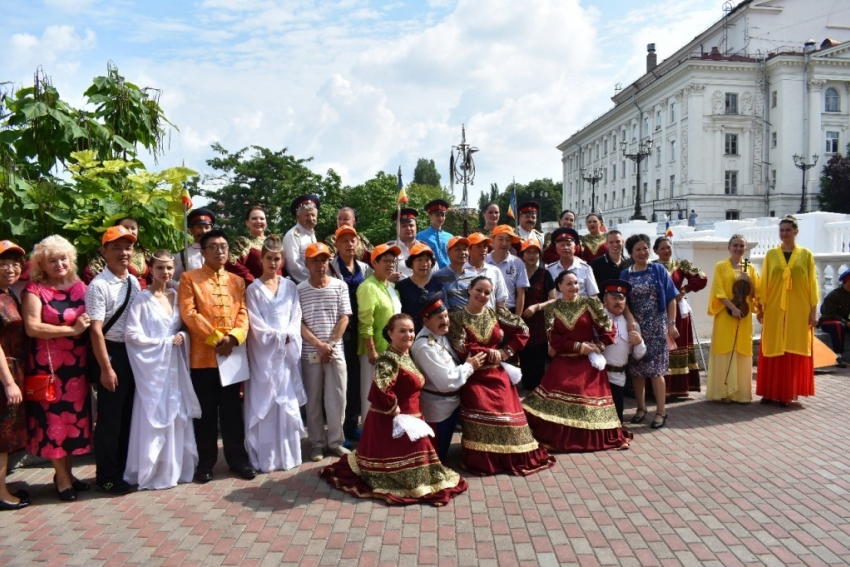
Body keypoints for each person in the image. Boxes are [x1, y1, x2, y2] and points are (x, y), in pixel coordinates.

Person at [320, 314, 468, 506]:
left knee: (426, 469)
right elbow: (380, 390)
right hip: (393, 424)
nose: (408, 335)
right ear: (390, 333)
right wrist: (394, 409)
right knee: (413, 475)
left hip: (413, 419)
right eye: (402, 331)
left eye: (411, 330)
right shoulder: (388, 360)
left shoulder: (405, 355)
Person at [448, 276, 555, 476]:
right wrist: (491, 353)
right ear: (469, 289)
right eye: (479, 290)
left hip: (497, 372)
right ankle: (485, 458)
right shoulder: (456, 318)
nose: (482, 295)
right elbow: (462, 347)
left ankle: (509, 456)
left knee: (508, 415)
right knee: (481, 406)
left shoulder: (495, 313)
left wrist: (506, 351)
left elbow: (523, 329)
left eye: (487, 293)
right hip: (474, 375)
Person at [178, 229, 256, 483]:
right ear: (203, 252)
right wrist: (215, 339)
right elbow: (189, 314)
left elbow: (243, 312)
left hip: (232, 355)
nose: (220, 251)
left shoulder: (237, 281)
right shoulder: (189, 279)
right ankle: (206, 463)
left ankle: (238, 460)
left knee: (233, 411)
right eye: (213, 247)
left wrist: (233, 338)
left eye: (223, 246)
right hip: (203, 357)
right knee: (207, 413)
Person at [523, 272, 629, 452]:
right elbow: (554, 340)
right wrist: (578, 346)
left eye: (576, 283)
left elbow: (607, 328)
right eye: (569, 284)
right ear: (559, 287)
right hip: (564, 359)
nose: (574, 287)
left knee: (584, 391)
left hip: (588, 362)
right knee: (561, 387)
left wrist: (598, 347)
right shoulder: (551, 308)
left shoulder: (590, 303)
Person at [22, 235, 93, 501]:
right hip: (49, 367)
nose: (59, 264)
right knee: (54, 423)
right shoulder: (34, 289)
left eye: (63, 258)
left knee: (74, 420)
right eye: (52, 260)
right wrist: (71, 329)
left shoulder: (79, 286)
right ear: (42, 265)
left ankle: (69, 474)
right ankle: (62, 480)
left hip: (77, 365)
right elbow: (32, 327)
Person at [123, 250, 201, 490]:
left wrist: (182, 336)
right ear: (151, 269)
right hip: (153, 369)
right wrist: (164, 343)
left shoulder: (178, 296)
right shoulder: (141, 299)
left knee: (177, 413)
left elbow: (187, 326)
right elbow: (132, 335)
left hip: (176, 365)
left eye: (169, 268)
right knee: (155, 414)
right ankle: (154, 470)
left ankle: (176, 467)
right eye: (160, 268)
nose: (166, 273)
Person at [87, 225, 142, 496]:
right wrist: (106, 368)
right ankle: (106, 477)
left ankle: (122, 470)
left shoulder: (133, 280)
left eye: (128, 247)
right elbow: (95, 329)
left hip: (132, 353)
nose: (124, 253)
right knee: (110, 419)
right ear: (104, 251)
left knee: (128, 416)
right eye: (117, 247)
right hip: (110, 353)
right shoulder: (98, 285)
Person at [245, 236, 306, 471]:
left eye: (277, 259)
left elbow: (296, 314)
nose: (273, 263)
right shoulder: (253, 289)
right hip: (264, 354)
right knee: (266, 401)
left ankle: (288, 455)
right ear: (261, 259)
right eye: (269, 258)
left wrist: (289, 334)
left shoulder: (290, 286)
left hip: (288, 353)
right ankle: (266, 457)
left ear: (282, 260)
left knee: (286, 401)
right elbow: (255, 323)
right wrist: (277, 337)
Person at [410, 294, 485, 461]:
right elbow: (446, 382)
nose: (445, 321)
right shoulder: (424, 346)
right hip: (437, 410)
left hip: (449, 406)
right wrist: (470, 366)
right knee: (436, 458)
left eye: (446, 316)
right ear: (426, 321)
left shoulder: (440, 335)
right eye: (439, 317)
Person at [756, 216, 818, 407]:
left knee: (792, 346)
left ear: (796, 232)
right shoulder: (771, 255)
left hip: (799, 308)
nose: (784, 233)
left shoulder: (806, 255)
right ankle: (769, 391)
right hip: (775, 307)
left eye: (788, 230)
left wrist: (813, 310)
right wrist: (761, 307)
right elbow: (765, 281)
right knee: (772, 346)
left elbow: (813, 284)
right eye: (781, 230)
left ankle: (786, 392)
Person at [298, 242, 351, 462]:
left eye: (324, 260)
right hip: (310, 352)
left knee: (337, 397)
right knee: (313, 399)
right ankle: (317, 443)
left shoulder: (340, 286)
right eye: (315, 260)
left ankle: (336, 441)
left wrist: (329, 343)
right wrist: (319, 345)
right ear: (306, 263)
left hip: (335, 351)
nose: (321, 265)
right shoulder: (298, 289)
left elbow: (344, 317)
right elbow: (297, 322)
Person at [620, 234, 679, 430]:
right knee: (637, 370)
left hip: (657, 326)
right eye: (638, 249)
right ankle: (641, 408)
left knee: (656, 370)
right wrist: (630, 319)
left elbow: (671, 298)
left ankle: (661, 411)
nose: (642, 252)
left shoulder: (658, 270)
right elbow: (622, 302)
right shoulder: (626, 274)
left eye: (645, 248)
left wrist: (671, 324)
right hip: (637, 328)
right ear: (631, 253)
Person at [327, 225, 372, 444]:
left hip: (359, 328)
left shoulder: (364, 267)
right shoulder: (330, 267)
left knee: (355, 377)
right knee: (339, 379)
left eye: (352, 240)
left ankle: (352, 424)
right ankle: (339, 429)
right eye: (344, 240)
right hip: (338, 328)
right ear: (336, 244)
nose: (349, 244)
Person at [706, 235, 760, 403]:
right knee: (725, 348)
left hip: (743, 315)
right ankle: (724, 392)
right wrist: (733, 308)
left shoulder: (749, 267)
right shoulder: (721, 266)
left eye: (741, 246)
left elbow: (756, 292)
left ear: (745, 249)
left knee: (741, 349)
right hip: (726, 314)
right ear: (729, 247)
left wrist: (749, 280)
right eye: (735, 245)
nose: (738, 248)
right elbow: (718, 291)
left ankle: (740, 393)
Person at [654, 236, 707, 397]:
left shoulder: (680, 265)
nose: (666, 250)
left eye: (668, 247)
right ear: (656, 251)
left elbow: (701, 278)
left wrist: (683, 290)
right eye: (662, 248)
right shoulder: (652, 267)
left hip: (679, 312)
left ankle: (679, 388)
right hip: (660, 310)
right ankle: (661, 387)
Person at [0, 241, 31, 509]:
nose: (10, 268)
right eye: (3, 264)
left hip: (14, 370)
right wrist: (8, 382)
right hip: (4, 375)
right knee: (1, 437)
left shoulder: (8, 292)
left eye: (14, 263)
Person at [357, 244, 402, 417]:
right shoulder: (368, 287)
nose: (390, 264)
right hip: (374, 351)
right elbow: (365, 321)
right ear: (374, 263)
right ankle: (370, 435)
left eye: (393, 261)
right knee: (372, 395)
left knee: (388, 394)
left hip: (392, 351)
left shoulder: (391, 287)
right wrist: (371, 349)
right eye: (386, 261)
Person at [601, 280, 646, 424]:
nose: (618, 302)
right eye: (614, 298)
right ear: (605, 300)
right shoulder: (596, 319)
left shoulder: (631, 324)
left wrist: (639, 342)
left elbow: (639, 355)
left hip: (618, 379)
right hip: (597, 377)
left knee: (616, 421)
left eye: (621, 298)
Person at [518, 239, 556, 392]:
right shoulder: (517, 273)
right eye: (528, 252)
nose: (531, 255)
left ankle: (538, 392)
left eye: (535, 252)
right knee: (524, 358)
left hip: (539, 322)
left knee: (538, 360)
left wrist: (537, 306)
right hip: (521, 321)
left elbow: (554, 299)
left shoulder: (544, 274)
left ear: (539, 255)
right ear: (523, 255)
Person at [84, 217, 150, 290]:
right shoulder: (98, 268)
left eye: (133, 228)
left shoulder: (142, 252)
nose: (130, 231)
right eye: (125, 227)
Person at [227, 206, 283, 283]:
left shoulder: (274, 241)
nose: (258, 221)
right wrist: (252, 279)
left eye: (262, 218)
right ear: (247, 223)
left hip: (280, 287)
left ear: (266, 222)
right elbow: (232, 263)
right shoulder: (244, 243)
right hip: (256, 290)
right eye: (254, 218)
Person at [395, 242, 442, 333]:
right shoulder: (401, 287)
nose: (424, 264)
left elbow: (444, 313)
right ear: (411, 263)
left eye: (427, 260)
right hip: (408, 336)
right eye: (419, 260)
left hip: (434, 335)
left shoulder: (438, 286)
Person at [486, 225, 529, 317]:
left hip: (509, 313)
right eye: (500, 239)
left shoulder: (517, 263)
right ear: (492, 240)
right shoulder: (483, 261)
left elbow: (521, 293)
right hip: (486, 313)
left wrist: (517, 319)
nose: (504, 243)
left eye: (508, 240)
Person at [546, 228, 599, 298]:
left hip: (581, 308)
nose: (566, 248)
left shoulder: (585, 268)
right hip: (557, 308)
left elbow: (593, 295)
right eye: (562, 245)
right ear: (557, 250)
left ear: (574, 248)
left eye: (568, 244)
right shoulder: (550, 270)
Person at [283, 194, 320, 284]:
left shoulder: (311, 234)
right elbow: (293, 266)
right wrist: (311, 282)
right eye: (307, 215)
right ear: (298, 216)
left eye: (313, 215)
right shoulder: (292, 235)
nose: (311, 218)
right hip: (302, 285)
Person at [465, 233, 508, 309]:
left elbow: (501, 301)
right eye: (479, 246)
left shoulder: (495, 271)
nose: (483, 249)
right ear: (469, 249)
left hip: (490, 319)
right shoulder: (461, 270)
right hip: (466, 319)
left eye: (485, 246)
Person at [817, 268, 850, 368]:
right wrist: (845, 322)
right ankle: (838, 356)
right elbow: (829, 313)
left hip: (843, 321)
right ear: (847, 281)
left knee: (841, 324)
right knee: (837, 325)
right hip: (828, 321)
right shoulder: (834, 295)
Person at [432, 236, 476, 312]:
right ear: (448, 253)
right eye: (458, 249)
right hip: (448, 321)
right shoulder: (438, 276)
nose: (462, 252)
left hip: (470, 320)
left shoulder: (473, 276)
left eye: (465, 249)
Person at [173, 208, 215, 282]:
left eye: (207, 227)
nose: (203, 231)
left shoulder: (219, 253)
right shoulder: (182, 255)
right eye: (199, 227)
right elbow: (171, 278)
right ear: (191, 230)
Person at [386, 208, 423, 280]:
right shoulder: (388, 250)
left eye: (411, 225)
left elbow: (433, 272)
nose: (408, 228)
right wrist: (388, 279)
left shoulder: (424, 248)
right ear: (397, 229)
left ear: (416, 227)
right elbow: (378, 276)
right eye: (404, 226)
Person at [417, 199, 453, 269]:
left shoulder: (450, 237)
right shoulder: (420, 236)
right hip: (429, 275)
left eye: (443, 215)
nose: (440, 218)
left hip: (449, 275)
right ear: (430, 216)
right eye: (437, 215)